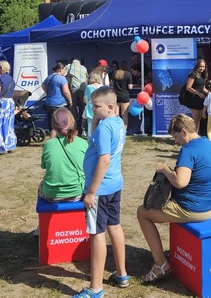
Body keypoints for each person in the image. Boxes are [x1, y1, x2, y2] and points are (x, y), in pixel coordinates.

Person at [136, 114, 211, 283]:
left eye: (175, 137)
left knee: (142, 213)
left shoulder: (188, 150)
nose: (175, 142)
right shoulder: (207, 142)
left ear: (184, 132)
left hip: (197, 210)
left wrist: (165, 169)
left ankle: (160, 264)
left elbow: (181, 182)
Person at [74, 86, 128, 298]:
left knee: (97, 234)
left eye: (96, 107)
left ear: (110, 107)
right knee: (114, 225)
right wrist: (96, 118)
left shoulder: (105, 128)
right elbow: (94, 140)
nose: (92, 110)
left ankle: (95, 288)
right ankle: (122, 274)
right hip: (114, 184)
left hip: (100, 189)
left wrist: (91, 192)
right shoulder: (117, 122)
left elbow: (104, 159)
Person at [40, 107, 87, 202]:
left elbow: (44, 166)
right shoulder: (83, 143)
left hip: (52, 194)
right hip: (77, 192)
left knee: (41, 184)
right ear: (72, 122)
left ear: (53, 126)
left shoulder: (48, 144)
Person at [0, 60, 17, 154]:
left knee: (0, 124)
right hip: (10, 102)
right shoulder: (11, 79)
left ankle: (2, 147)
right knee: (9, 124)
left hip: (2, 103)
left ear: (2, 68)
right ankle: (10, 145)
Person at [43, 63, 72, 139]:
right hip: (59, 104)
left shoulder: (49, 77)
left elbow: (43, 86)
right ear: (61, 69)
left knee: (53, 124)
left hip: (49, 103)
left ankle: (52, 140)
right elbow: (66, 91)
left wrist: (49, 93)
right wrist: (70, 101)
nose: (65, 71)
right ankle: (62, 139)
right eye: (65, 69)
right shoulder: (62, 78)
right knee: (61, 124)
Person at [65, 58, 88, 136]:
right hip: (83, 89)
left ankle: (74, 128)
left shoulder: (69, 66)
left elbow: (63, 74)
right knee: (83, 109)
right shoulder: (84, 68)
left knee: (72, 107)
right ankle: (83, 129)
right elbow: (86, 77)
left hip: (74, 88)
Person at [184, 59, 208, 127]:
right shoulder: (193, 74)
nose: (202, 68)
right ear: (197, 66)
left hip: (201, 99)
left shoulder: (202, 75)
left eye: (203, 67)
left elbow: (203, 88)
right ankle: (193, 132)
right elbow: (188, 87)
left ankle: (196, 132)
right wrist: (198, 93)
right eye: (200, 66)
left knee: (199, 118)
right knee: (195, 118)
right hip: (194, 99)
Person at [82, 72, 102, 140]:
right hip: (101, 107)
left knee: (90, 125)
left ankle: (90, 140)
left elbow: (85, 98)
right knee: (100, 124)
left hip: (91, 107)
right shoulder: (102, 87)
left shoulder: (88, 87)